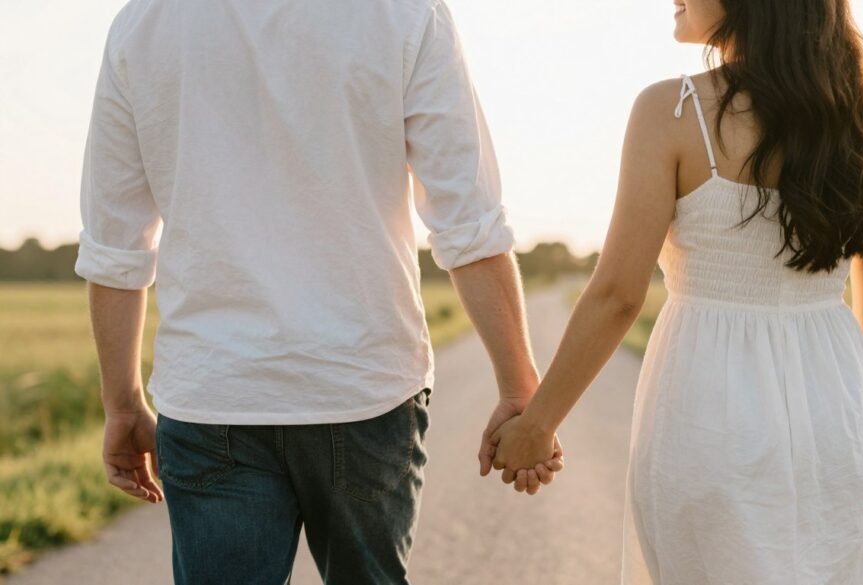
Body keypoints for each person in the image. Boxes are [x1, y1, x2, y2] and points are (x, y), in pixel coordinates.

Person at [76, 0, 561, 583]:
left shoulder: (143, 24)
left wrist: (123, 403)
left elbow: (115, 247)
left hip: (214, 392)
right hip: (366, 387)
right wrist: (519, 389)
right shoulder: (408, 14)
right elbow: (469, 223)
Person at [489, 0, 863, 582]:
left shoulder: (671, 111)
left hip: (707, 419)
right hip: (842, 426)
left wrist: (537, 425)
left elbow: (619, 294)